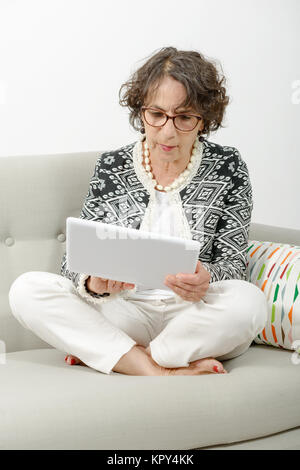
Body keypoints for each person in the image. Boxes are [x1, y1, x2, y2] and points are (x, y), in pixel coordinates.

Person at [8, 46, 268, 376]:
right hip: (123, 313)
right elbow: (71, 265)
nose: (168, 132)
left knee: (250, 303)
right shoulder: (111, 165)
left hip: (194, 316)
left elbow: (234, 264)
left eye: (184, 117)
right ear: (141, 110)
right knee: (27, 290)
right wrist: (93, 283)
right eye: (156, 115)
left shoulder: (227, 166)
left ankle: (125, 356)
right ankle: (159, 367)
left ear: (204, 119)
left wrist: (207, 279)